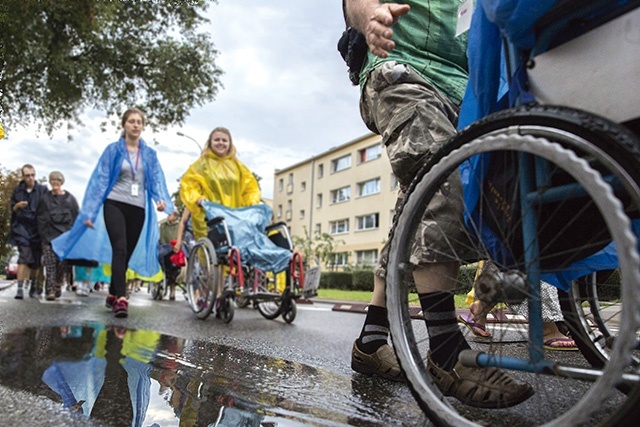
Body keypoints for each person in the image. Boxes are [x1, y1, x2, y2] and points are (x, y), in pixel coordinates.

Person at [344, 1, 533, 408]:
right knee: (441, 176)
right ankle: (447, 352)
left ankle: (371, 340)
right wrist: (369, 18)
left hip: (465, 86)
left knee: (413, 210)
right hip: (401, 68)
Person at [53, 108, 174, 318]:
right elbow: (100, 182)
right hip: (115, 204)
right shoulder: (113, 151)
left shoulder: (150, 155)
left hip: (138, 208)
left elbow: (155, 180)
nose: (136, 125)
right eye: (132, 121)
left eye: (139, 122)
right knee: (119, 248)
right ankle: (122, 299)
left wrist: (161, 201)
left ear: (142, 127)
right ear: (124, 125)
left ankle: (112, 291)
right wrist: (90, 212)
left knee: (125, 253)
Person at [179, 126, 261, 241]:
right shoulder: (202, 164)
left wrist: (252, 202)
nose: (220, 143)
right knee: (212, 250)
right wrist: (197, 198)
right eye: (217, 140)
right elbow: (189, 184)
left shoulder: (238, 166)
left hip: (234, 216)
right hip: (209, 216)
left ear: (230, 144)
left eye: (224, 140)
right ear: (210, 142)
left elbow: (250, 187)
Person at [36, 171, 80, 300]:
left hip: (64, 238)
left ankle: (58, 283)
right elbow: (40, 217)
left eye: (57, 180)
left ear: (62, 182)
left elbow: (76, 217)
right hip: (49, 237)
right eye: (52, 180)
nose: (55, 182)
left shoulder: (70, 199)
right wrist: (43, 235)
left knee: (62, 264)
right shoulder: (45, 198)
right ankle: (49, 290)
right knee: (50, 264)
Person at [9, 164, 47, 299]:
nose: (30, 178)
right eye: (27, 175)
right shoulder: (18, 190)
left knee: (36, 262)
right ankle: (19, 289)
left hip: (37, 229)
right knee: (24, 257)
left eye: (32, 175)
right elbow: (12, 210)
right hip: (22, 228)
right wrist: (17, 206)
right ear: (23, 176)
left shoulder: (42, 190)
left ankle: (33, 286)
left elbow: (47, 208)